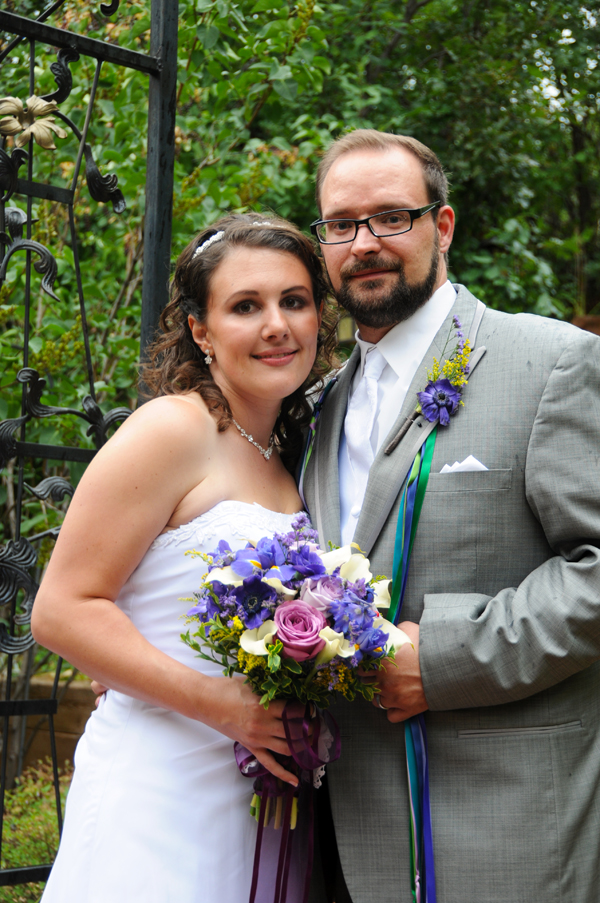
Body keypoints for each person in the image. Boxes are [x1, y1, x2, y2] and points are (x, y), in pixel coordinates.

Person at [303, 129, 600, 903]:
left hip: (505, 830)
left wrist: (441, 657)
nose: (364, 243)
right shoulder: (313, 403)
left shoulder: (550, 362)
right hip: (337, 829)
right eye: (341, 224)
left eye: (390, 217)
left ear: (443, 226)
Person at [31, 212, 338, 903]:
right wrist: (227, 707)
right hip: (158, 785)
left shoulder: (295, 455)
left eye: (294, 301)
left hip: (254, 801)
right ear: (201, 330)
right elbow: (61, 609)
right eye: (245, 306)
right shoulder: (172, 428)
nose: (277, 325)